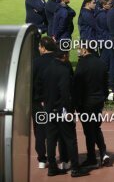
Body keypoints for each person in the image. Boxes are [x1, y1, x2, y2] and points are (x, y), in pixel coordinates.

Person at [41, 49, 87, 177]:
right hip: (62, 110)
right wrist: (68, 110)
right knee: (70, 139)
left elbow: (42, 89)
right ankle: (75, 168)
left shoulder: (47, 70)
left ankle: (52, 168)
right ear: (64, 56)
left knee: (50, 139)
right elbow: (65, 93)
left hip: (49, 109)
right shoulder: (64, 71)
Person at [72, 43, 110, 168]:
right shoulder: (101, 63)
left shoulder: (82, 64)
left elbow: (77, 86)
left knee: (89, 131)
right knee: (96, 127)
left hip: (86, 102)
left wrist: (76, 103)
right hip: (98, 101)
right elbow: (105, 85)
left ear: (84, 50)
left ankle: (92, 157)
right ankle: (103, 152)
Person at [33, 37, 58, 169]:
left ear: (43, 47)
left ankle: (42, 159)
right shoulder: (58, 61)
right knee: (54, 130)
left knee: (40, 131)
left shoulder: (36, 62)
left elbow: (31, 83)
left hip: (38, 102)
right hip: (56, 101)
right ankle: (55, 157)